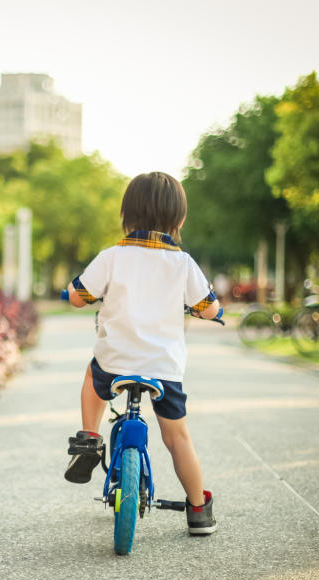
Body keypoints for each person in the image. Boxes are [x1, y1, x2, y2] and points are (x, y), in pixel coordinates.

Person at [63, 171, 219, 536]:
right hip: (163, 368)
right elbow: (209, 307)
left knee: (92, 374)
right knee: (177, 439)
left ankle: (88, 439)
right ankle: (198, 509)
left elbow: (76, 296)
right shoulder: (183, 263)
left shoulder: (112, 256)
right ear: (178, 220)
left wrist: (70, 291)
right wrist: (214, 313)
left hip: (113, 361)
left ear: (125, 214)